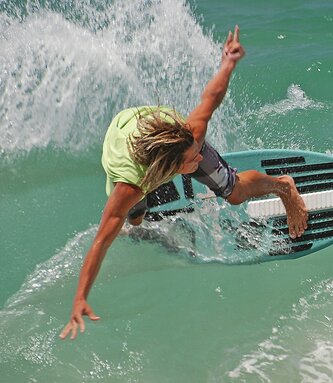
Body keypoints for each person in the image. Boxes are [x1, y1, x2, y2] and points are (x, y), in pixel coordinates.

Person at [60, 26, 308, 340]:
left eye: (197, 153)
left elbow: (212, 96)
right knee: (134, 218)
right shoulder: (131, 184)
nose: (198, 160)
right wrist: (80, 296)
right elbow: (100, 241)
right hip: (124, 142)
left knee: (233, 192)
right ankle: (145, 215)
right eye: (191, 160)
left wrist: (228, 62)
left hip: (156, 129)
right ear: (169, 167)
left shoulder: (191, 134)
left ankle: (283, 186)